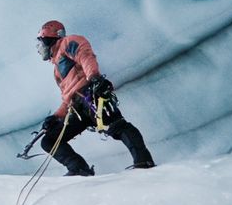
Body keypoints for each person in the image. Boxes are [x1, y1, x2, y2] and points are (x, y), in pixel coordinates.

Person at [35, 20, 155, 176]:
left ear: (47, 37)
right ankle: (79, 169)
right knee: (49, 141)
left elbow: (85, 56)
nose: (39, 49)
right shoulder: (57, 71)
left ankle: (143, 161)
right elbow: (68, 98)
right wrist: (56, 116)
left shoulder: (68, 42)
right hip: (77, 108)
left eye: (40, 43)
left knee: (117, 126)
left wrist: (94, 79)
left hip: (90, 95)